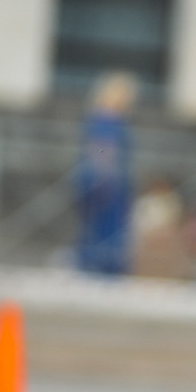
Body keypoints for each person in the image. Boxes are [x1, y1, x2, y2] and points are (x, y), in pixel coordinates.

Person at [75, 72, 136, 277]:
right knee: (104, 234)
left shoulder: (100, 118)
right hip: (105, 184)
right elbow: (102, 151)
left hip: (104, 182)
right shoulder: (107, 120)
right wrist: (104, 172)